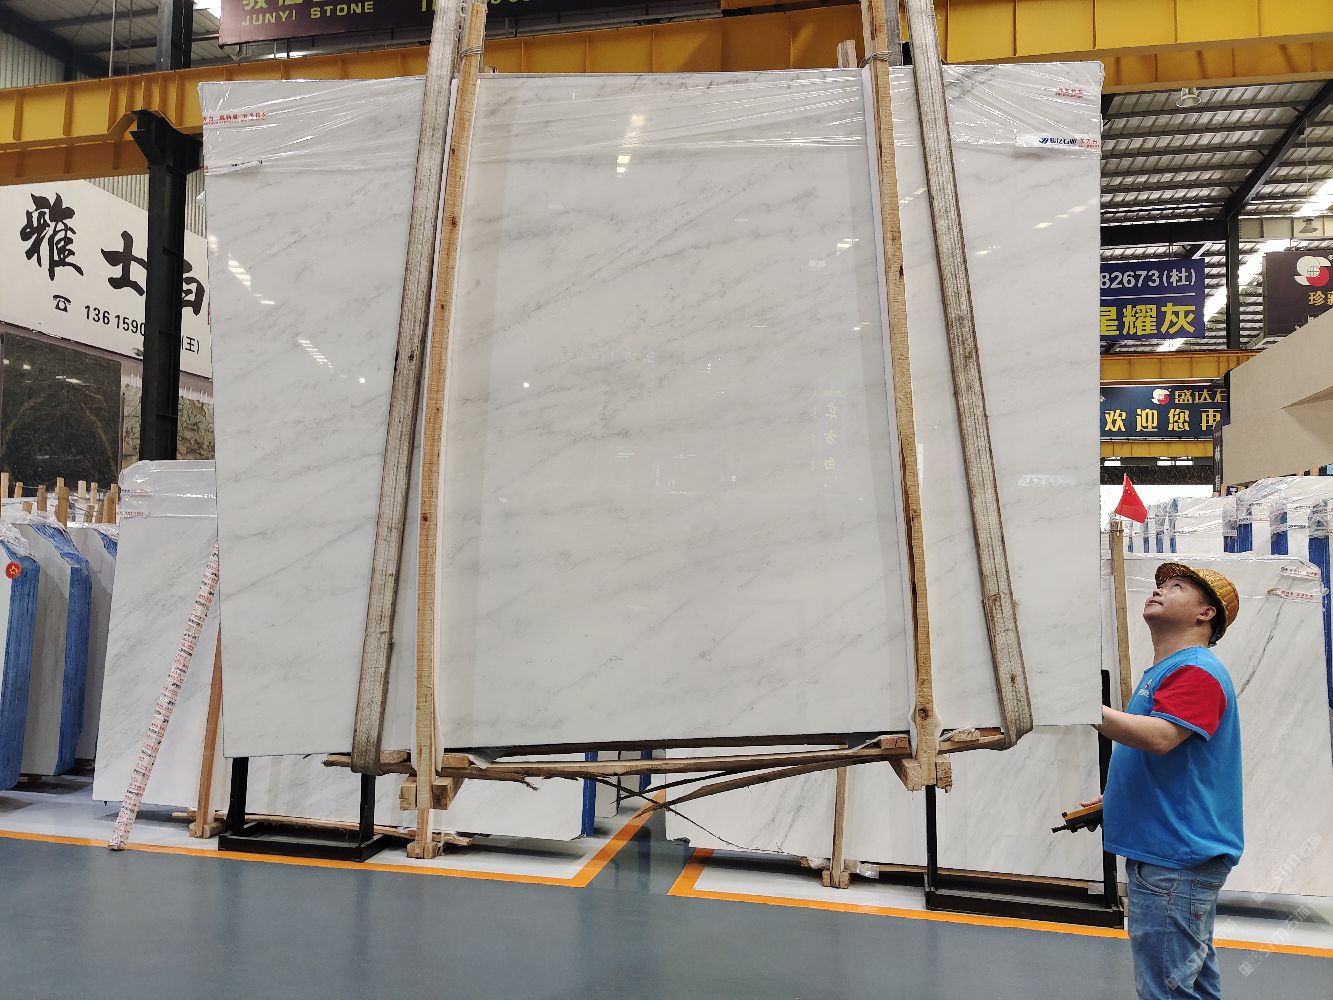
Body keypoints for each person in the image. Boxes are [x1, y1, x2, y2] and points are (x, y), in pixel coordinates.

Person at [1089, 562, 1243, 1000]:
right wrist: (1113, 799)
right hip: (1174, 855)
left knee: (1167, 991)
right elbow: (1173, 760)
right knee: (1193, 985)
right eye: (1160, 585)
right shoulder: (1170, 669)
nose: (1159, 591)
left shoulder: (1195, 670)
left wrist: (1083, 706)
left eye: (1176, 588)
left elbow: (1160, 738)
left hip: (1174, 861)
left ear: (1205, 614)